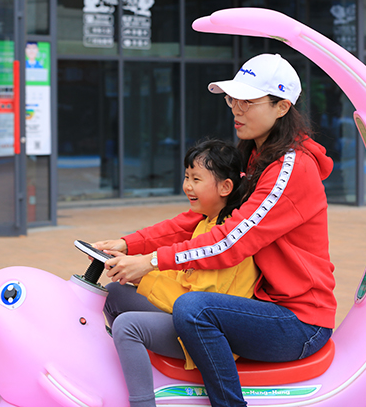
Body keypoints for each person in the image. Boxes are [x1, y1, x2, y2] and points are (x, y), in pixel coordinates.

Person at [95, 53, 336, 407]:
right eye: (232, 99)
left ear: (282, 107)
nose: (236, 109)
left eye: (247, 101)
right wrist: (129, 244)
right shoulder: (255, 156)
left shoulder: (291, 168)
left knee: (194, 308)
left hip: (298, 322)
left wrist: (152, 261)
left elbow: (231, 240)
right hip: (258, 305)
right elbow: (201, 219)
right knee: (116, 294)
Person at [99, 138, 260, 407]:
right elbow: (181, 279)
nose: (187, 186)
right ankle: (137, 370)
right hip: (187, 316)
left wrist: (142, 277)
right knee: (114, 293)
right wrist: (136, 271)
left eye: (196, 179)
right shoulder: (206, 223)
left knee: (127, 326)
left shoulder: (224, 238)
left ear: (225, 187)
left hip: (206, 334)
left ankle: (142, 402)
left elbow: (193, 307)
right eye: (186, 177)